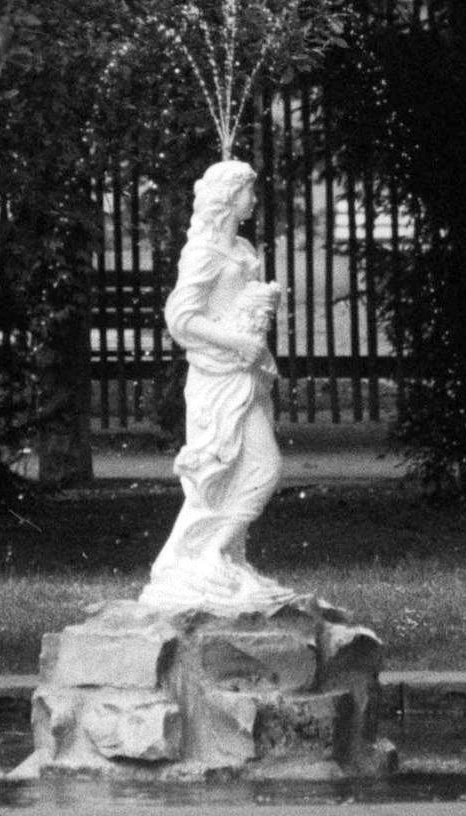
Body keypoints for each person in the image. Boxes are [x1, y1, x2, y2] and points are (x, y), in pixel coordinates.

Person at [138, 160, 299, 613]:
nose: (254, 198)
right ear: (230, 198)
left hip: (246, 372)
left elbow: (234, 305)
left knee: (237, 469)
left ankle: (222, 556)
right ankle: (204, 555)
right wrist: (236, 342)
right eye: (249, 191)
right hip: (218, 376)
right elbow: (182, 319)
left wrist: (262, 303)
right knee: (257, 466)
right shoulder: (204, 251)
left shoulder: (242, 245)